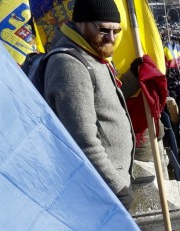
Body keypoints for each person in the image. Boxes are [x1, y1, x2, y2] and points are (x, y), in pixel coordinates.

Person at [44, 0, 137, 209]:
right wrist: (117, 188)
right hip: (100, 192)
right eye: (104, 30)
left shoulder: (92, 53)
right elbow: (83, 140)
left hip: (108, 187)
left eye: (116, 31)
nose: (111, 38)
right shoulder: (70, 64)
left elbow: (105, 103)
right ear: (81, 23)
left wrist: (133, 77)